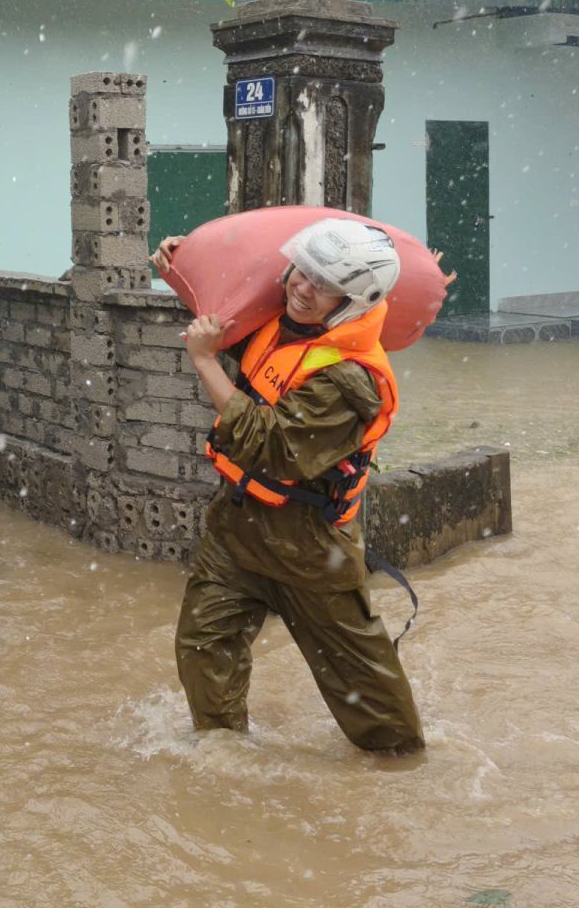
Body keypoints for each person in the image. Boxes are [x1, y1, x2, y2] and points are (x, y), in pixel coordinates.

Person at [154, 218, 425, 753]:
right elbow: (226, 321)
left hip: (310, 549)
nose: (303, 287)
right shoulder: (279, 322)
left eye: (324, 284)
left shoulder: (352, 380)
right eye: (303, 271)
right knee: (203, 646)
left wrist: (203, 360)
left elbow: (271, 446)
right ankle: (225, 757)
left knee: (368, 697)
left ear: (352, 302)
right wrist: (183, 268)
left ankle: (401, 770)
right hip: (237, 528)